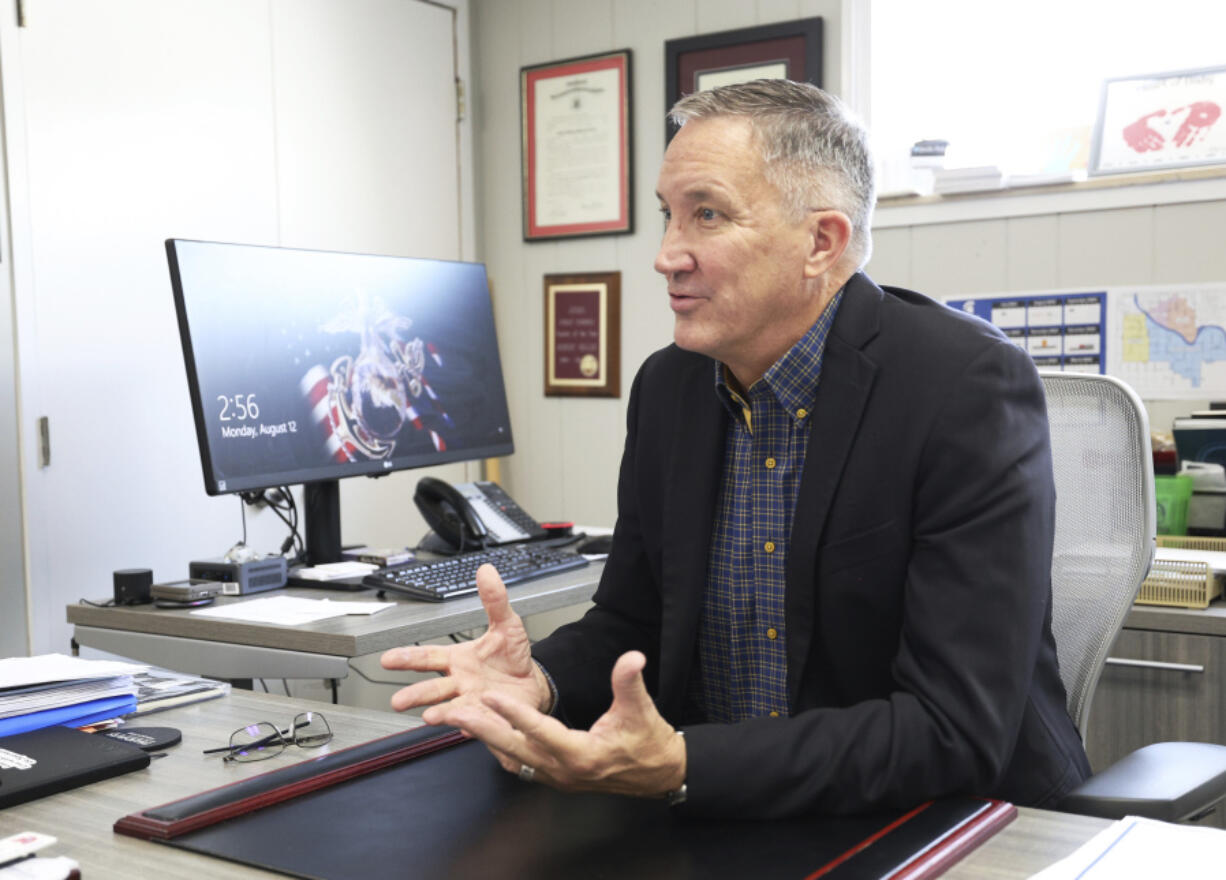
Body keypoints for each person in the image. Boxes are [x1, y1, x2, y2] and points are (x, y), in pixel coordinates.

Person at [381, 79, 1090, 818]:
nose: (666, 256)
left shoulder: (963, 386)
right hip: (727, 813)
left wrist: (683, 764)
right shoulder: (670, 388)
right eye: (668, 216)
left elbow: (954, 728)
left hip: (952, 819)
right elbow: (635, 622)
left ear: (822, 241)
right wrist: (542, 682)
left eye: (707, 215)